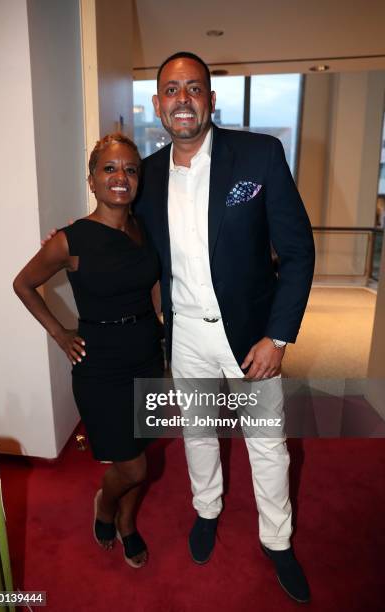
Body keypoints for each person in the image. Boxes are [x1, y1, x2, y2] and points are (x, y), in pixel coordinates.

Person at [133, 52, 315, 602]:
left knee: (266, 445)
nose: (181, 99)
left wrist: (277, 336)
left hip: (250, 337)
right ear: (158, 104)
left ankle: (277, 541)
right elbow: (120, 237)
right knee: (197, 433)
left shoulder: (260, 156)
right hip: (184, 335)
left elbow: (299, 252)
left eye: (193, 88)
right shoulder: (147, 176)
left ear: (211, 101)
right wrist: (68, 241)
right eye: (171, 89)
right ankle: (206, 510)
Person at [13, 133, 163, 568]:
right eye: (110, 169)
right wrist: (60, 333)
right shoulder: (70, 239)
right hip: (101, 366)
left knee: (143, 453)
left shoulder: (143, 230)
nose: (121, 177)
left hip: (147, 354)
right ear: (93, 180)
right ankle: (104, 505)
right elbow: (22, 284)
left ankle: (129, 524)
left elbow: (151, 282)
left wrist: (161, 320)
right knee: (132, 467)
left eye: (130, 169)